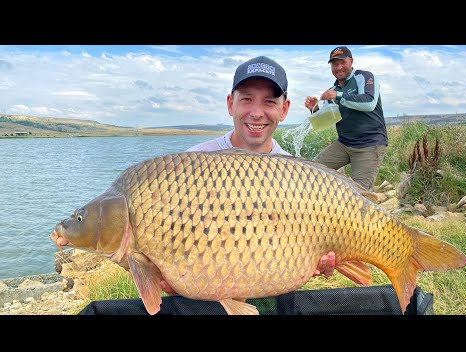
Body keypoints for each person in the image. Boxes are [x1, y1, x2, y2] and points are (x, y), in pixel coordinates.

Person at [78, 56, 335, 315]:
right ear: (230, 104)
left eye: (269, 101)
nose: (256, 112)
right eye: (246, 99)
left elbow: (308, 253)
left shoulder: (297, 174)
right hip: (204, 303)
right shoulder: (191, 165)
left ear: (285, 109)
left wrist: (319, 262)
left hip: (272, 288)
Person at [304, 46, 388, 190]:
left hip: (369, 145)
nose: (339, 67)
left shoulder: (364, 76)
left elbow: (369, 102)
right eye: (335, 64)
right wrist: (315, 109)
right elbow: (328, 119)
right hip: (343, 144)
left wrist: (338, 96)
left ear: (351, 61)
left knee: (359, 194)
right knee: (311, 172)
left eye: (343, 62)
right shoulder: (334, 89)